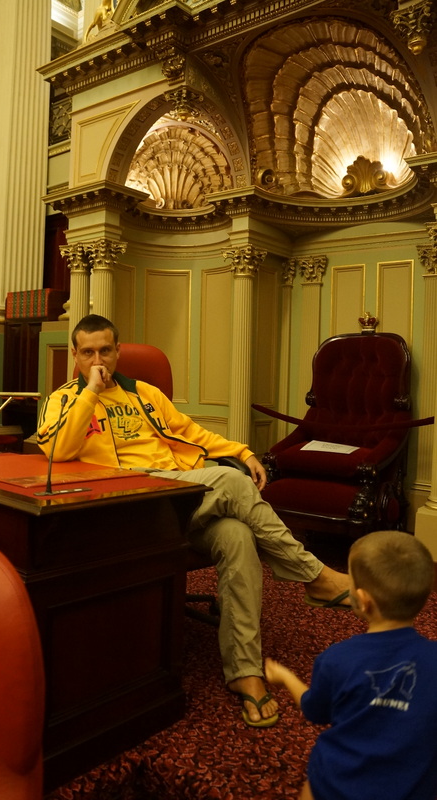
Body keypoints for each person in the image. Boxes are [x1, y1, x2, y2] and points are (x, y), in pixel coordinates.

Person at [37, 314, 350, 727]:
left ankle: (245, 671)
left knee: (237, 535)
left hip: (178, 494)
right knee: (233, 483)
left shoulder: (144, 393)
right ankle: (314, 575)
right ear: (75, 355)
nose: (99, 360)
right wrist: (90, 392)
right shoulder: (63, 400)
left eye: (106, 351)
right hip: (128, 505)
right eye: (89, 352)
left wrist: (242, 451)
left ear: (118, 351)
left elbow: (192, 432)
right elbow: (58, 450)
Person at [265, 530, 437, 800]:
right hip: (413, 790)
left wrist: (286, 676)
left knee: (311, 788)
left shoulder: (336, 659)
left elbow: (314, 710)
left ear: (364, 601)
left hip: (337, 786)